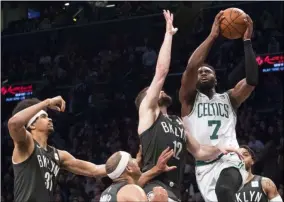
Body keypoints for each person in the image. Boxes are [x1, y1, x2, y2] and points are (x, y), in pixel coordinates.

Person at [135, 10, 241, 202]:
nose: (161, 90)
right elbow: (161, 72)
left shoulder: (177, 122)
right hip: (153, 187)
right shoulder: (148, 114)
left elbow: (199, 151)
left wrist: (222, 148)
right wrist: (168, 35)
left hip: (174, 191)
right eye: (152, 92)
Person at [179, 11, 258, 202]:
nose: (203, 73)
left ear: (216, 78)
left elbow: (252, 80)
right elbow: (191, 67)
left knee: (224, 190)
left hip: (231, 159)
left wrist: (247, 42)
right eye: (200, 73)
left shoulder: (229, 98)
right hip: (204, 165)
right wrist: (213, 36)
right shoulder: (189, 99)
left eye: (207, 71)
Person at [8, 97, 106, 202]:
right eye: (44, 116)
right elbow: (13, 123)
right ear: (32, 125)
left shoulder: (59, 155)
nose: (49, 119)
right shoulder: (26, 144)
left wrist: (122, 163)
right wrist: (47, 102)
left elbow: (94, 170)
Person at [100, 149, 174, 202]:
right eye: (132, 159)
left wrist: (157, 168)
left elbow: (140, 180)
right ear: (129, 168)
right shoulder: (132, 190)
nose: (136, 160)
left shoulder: (106, 194)